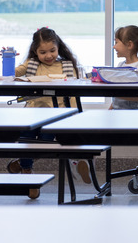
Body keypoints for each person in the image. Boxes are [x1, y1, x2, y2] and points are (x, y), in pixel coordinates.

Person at [7, 27, 86, 199]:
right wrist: (9, 59)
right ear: (35, 51)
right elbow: (11, 75)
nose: (48, 55)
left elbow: (74, 92)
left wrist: (73, 116)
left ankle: (22, 163)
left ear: (59, 47)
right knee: (26, 138)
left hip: (56, 116)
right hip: (33, 113)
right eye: (43, 52)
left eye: (52, 50)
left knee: (46, 141)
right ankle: (28, 174)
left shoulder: (66, 65)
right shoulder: (31, 64)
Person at [110, 25, 138, 110]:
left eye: (116, 43)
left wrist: (114, 93)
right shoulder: (120, 65)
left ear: (130, 45)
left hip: (134, 116)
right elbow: (116, 98)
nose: (114, 46)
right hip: (117, 114)